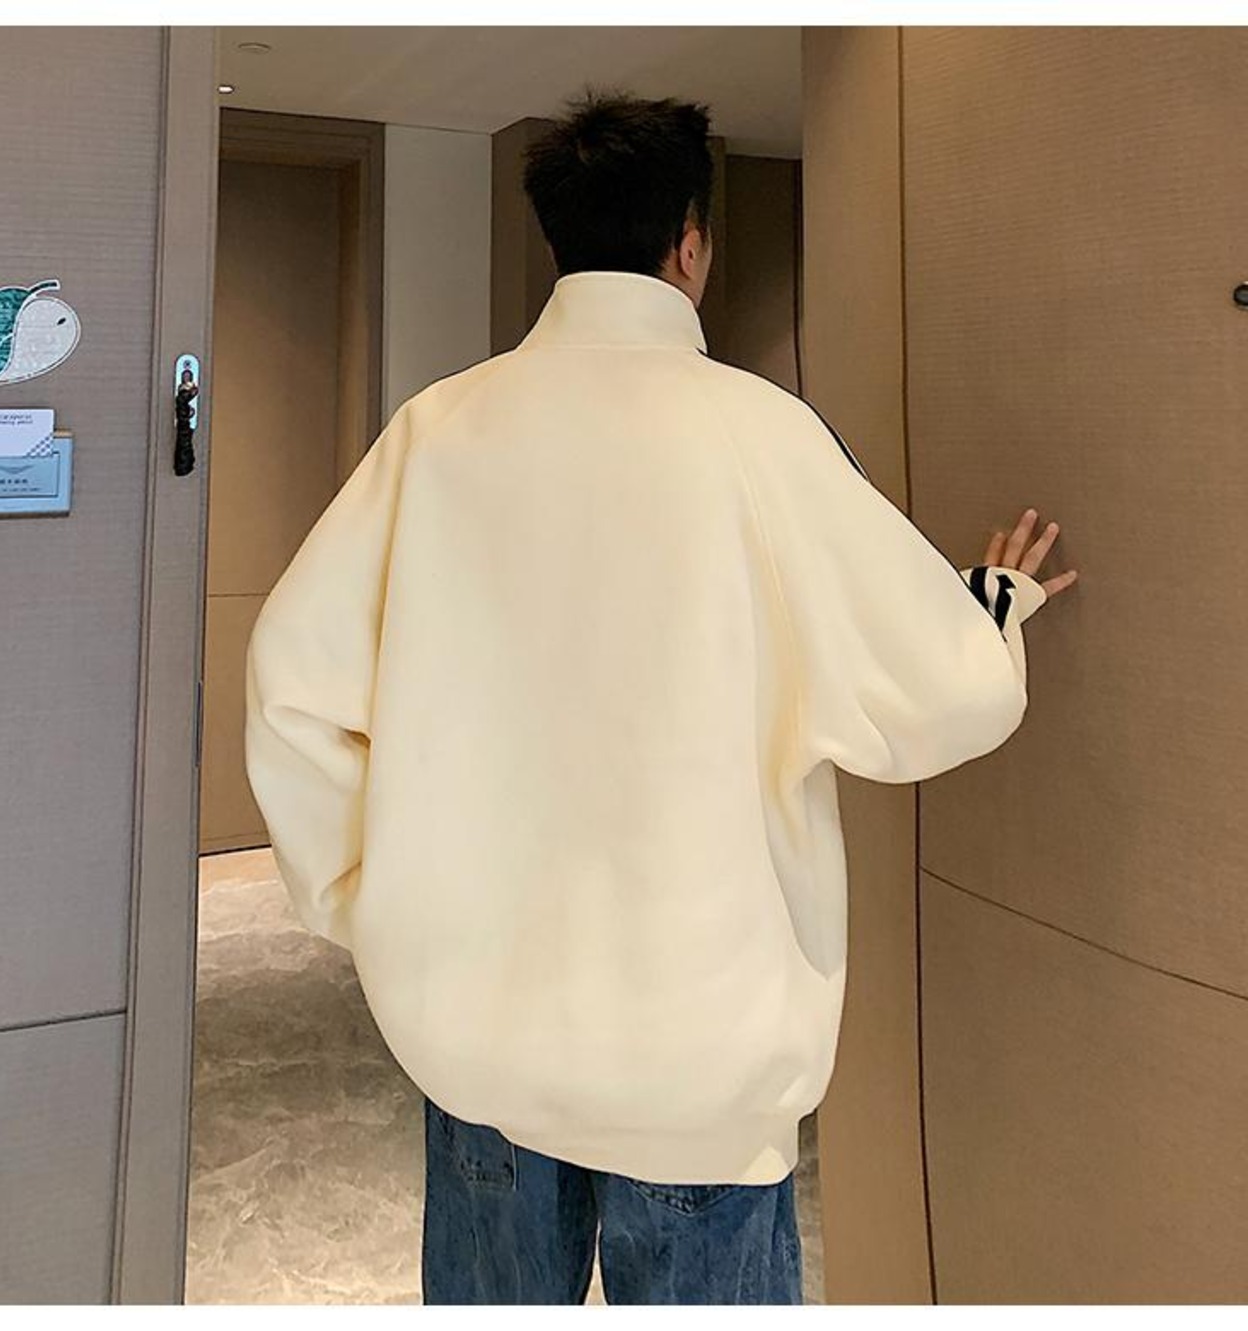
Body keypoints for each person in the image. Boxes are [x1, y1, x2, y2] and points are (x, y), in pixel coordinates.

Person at [244, 88, 1078, 1306]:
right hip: (695, 1052)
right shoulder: (760, 435)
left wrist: (367, 903)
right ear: (689, 243)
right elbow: (938, 694)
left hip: (472, 1026)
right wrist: (990, 604)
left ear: (558, 240)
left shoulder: (435, 432)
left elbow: (291, 690)